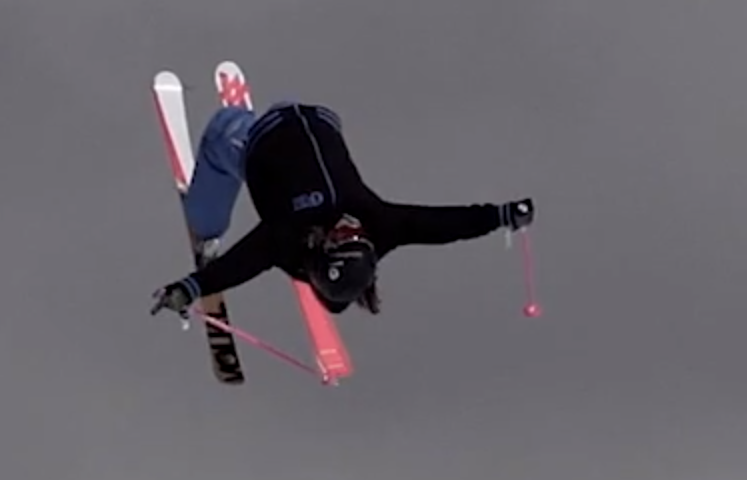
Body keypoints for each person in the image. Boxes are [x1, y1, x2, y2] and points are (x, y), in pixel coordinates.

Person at [150, 101, 534, 319]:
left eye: (343, 236)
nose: (350, 225)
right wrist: (500, 214)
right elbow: (439, 224)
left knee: (334, 303)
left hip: (306, 123)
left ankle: (334, 296)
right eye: (356, 236)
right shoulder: (379, 225)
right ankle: (231, 126)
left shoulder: (286, 236)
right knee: (205, 221)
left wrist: (188, 288)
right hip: (262, 133)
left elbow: (242, 264)